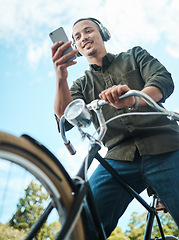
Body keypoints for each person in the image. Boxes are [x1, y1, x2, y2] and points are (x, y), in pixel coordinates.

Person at [51, 17, 179, 239]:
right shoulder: (81, 85)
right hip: (118, 159)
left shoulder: (134, 55)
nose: (83, 38)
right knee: (83, 224)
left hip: (166, 146)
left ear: (102, 33)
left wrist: (133, 100)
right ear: (76, 47)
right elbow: (65, 118)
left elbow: (163, 80)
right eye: (77, 37)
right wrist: (61, 76)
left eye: (88, 31)